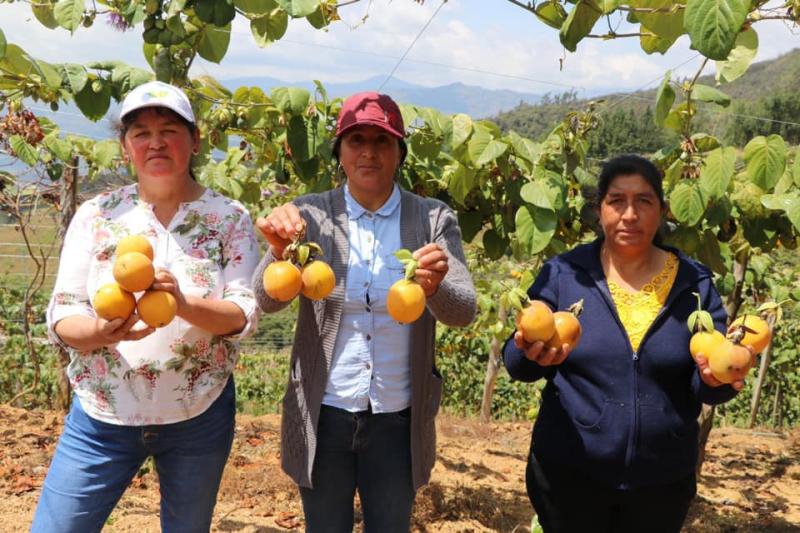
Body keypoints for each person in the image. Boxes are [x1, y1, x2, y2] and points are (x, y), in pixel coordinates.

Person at [31, 81, 260, 532]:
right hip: (102, 411)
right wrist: (98, 332)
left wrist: (182, 304)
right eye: (140, 132)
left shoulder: (229, 217)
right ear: (125, 147)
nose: (155, 141)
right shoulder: (97, 214)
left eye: (169, 129)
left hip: (199, 412)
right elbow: (62, 312)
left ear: (195, 140)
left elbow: (242, 314)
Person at [252, 91, 476, 532]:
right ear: (339, 152)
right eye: (356, 140)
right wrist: (280, 255)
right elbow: (266, 298)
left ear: (400, 153)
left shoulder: (432, 219)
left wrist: (435, 287)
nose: (369, 151)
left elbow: (463, 309)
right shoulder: (310, 215)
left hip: (398, 416)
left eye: (383, 141)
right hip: (324, 412)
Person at [503, 154, 742, 533]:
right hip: (569, 475)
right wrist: (530, 352)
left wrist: (718, 381)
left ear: (662, 211)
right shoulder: (564, 274)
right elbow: (517, 363)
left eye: (644, 201)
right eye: (617, 201)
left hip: (662, 482)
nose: (630, 214)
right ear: (600, 210)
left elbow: (708, 381)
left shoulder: (694, 283)